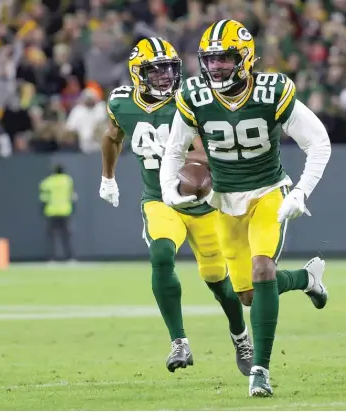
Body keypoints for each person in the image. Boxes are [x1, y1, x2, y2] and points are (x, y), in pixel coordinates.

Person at [160, 20, 331, 397]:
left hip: (268, 192)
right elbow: (175, 149)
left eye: (226, 58)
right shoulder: (194, 95)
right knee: (249, 294)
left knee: (262, 268)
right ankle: (306, 280)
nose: (217, 66)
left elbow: (318, 142)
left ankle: (260, 371)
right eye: (211, 59)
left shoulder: (271, 91)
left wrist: (301, 192)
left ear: (246, 58)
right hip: (224, 201)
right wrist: (169, 191)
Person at [98, 37, 253, 375]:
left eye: (169, 68)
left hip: (203, 204)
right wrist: (108, 177)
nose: (166, 76)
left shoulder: (191, 99)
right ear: (139, 73)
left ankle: (240, 336)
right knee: (161, 254)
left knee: (219, 282)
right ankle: (178, 341)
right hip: (161, 199)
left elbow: (209, 150)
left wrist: (178, 157)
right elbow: (112, 136)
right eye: (156, 71)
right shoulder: (122, 103)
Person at [39, 164, 76, 262]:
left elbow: (43, 198)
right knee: (66, 236)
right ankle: (69, 257)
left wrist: (42, 210)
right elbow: (72, 196)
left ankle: (52, 257)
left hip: (51, 211)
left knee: (52, 237)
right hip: (65, 211)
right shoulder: (67, 180)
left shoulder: (47, 182)